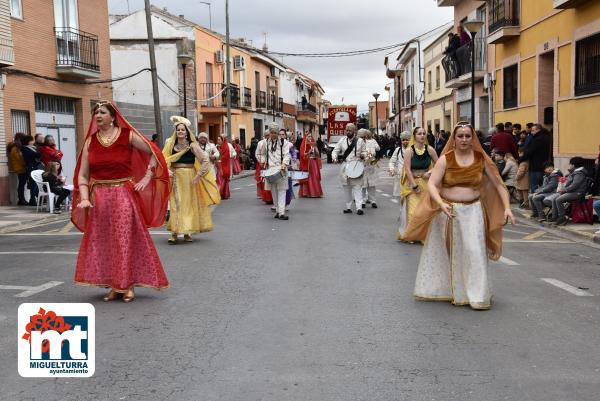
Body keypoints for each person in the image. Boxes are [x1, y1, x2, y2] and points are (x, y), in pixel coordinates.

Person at [404, 122, 515, 310]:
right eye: (460, 136)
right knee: (452, 252)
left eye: (467, 136)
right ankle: (453, 291)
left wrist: (507, 207)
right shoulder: (445, 159)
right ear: (454, 139)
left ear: (473, 138)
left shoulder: (482, 159)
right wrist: (440, 203)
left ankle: (478, 296)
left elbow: (498, 185)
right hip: (449, 211)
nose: (464, 139)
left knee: (475, 251)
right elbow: (432, 184)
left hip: (474, 211)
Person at [72, 101, 169, 303]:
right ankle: (114, 286)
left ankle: (128, 285)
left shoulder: (127, 136)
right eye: (95, 112)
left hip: (123, 194)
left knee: (124, 239)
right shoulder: (90, 141)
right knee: (106, 241)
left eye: (102, 112)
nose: (97, 115)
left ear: (113, 116)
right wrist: (83, 198)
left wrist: (146, 178)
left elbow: (155, 153)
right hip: (99, 197)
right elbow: (82, 175)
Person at [162, 116, 220, 244]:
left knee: (188, 205)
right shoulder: (170, 144)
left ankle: (187, 231)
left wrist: (198, 176)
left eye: (183, 130)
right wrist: (167, 171)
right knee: (176, 204)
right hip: (176, 177)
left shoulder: (193, 145)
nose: (181, 132)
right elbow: (163, 160)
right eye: (178, 130)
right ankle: (175, 233)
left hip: (190, 178)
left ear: (187, 132)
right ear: (175, 132)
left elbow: (205, 161)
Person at [397, 127, 438, 240]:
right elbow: (407, 169)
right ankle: (411, 235)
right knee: (413, 211)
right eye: (419, 133)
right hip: (412, 184)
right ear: (414, 136)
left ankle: (423, 235)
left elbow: (439, 165)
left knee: (424, 210)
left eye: (424, 133)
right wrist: (414, 185)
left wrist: (429, 172)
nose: (422, 136)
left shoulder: (430, 149)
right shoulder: (409, 151)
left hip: (426, 182)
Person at [332, 123, 367, 215]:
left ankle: (359, 208)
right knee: (346, 188)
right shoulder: (342, 140)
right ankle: (348, 207)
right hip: (346, 167)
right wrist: (334, 157)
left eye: (350, 130)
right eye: (347, 130)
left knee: (357, 187)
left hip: (357, 166)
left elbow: (365, 152)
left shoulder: (360, 141)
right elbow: (335, 150)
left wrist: (363, 155)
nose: (348, 132)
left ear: (354, 131)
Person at [258, 123, 291, 220]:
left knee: (282, 190)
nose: (273, 135)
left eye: (275, 133)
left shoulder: (284, 142)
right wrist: (262, 161)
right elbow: (262, 154)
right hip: (270, 170)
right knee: (273, 192)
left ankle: (281, 212)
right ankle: (277, 210)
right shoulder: (265, 143)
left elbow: (287, 155)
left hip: (281, 169)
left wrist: (284, 164)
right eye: (272, 133)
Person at [545, 157, 589, 226]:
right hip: (572, 191)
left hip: (577, 193)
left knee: (559, 199)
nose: (570, 166)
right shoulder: (575, 172)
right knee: (554, 199)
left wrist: (564, 190)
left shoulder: (579, 174)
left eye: (570, 164)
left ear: (574, 165)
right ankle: (554, 217)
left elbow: (574, 185)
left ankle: (562, 217)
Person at [519, 124, 552, 192]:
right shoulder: (547, 137)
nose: (531, 132)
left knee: (534, 187)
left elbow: (530, 151)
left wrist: (520, 159)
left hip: (535, 166)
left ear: (538, 130)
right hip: (545, 165)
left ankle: (535, 201)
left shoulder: (536, 139)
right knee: (543, 186)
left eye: (533, 130)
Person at [298, 131, 323, 198]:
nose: (310, 138)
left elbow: (317, 154)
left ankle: (316, 192)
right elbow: (302, 155)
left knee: (315, 177)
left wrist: (315, 147)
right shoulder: (304, 144)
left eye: (310, 136)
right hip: (308, 163)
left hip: (314, 163)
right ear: (306, 137)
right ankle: (307, 192)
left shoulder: (313, 143)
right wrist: (308, 152)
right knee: (308, 178)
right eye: (308, 136)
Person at [20, 134, 42, 206]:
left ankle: (33, 199)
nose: (33, 141)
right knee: (33, 185)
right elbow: (35, 155)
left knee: (34, 185)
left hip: (34, 167)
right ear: (28, 141)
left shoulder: (32, 148)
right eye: (32, 140)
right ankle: (33, 200)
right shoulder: (25, 149)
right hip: (30, 168)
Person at [388, 131, 411, 197]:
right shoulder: (398, 150)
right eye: (403, 140)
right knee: (401, 199)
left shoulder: (414, 150)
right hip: (400, 177)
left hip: (411, 178)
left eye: (407, 140)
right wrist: (392, 169)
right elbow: (392, 161)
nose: (405, 141)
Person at [7, 132, 27, 205]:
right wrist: (26, 163)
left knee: (22, 184)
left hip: (21, 168)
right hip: (20, 169)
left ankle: (22, 199)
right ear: (18, 139)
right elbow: (20, 160)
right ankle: (21, 199)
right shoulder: (15, 149)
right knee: (21, 184)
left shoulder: (17, 148)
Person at [362, 129, 380, 208]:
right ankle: (362, 200)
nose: (367, 136)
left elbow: (378, 148)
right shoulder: (360, 142)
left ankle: (373, 201)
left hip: (371, 163)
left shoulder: (373, 141)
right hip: (362, 164)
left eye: (368, 134)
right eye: (366, 134)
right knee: (363, 184)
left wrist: (374, 147)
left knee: (372, 184)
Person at [255, 131, 273, 204]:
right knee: (265, 182)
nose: (268, 136)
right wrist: (261, 162)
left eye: (269, 135)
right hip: (264, 165)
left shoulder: (275, 142)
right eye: (266, 135)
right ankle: (267, 198)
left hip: (273, 165)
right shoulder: (261, 143)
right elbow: (258, 154)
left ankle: (273, 198)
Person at [216, 134, 236, 200]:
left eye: (219, 139)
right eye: (218, 139)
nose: (218, 141)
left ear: (223, 139)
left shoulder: (228, 146)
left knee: (222, 180)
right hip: (219, 165)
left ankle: (222, 194)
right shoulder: (217, 146)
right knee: (221, 180)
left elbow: (233, 153)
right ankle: (224, 194)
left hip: (225, 165)